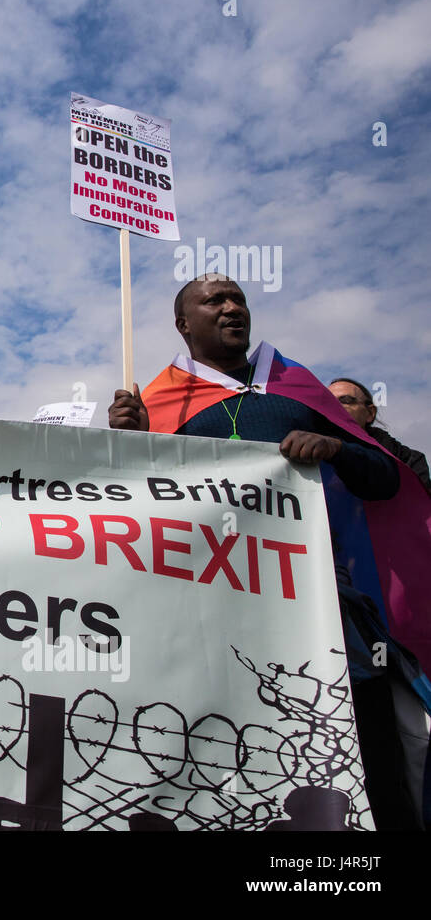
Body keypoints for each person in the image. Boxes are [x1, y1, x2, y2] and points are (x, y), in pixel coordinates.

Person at [109, 273, 431, 830]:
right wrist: (124, 446)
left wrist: (335, 448)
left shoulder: (298, 389)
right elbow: (127, 515)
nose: (232, 307)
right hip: (209, 613)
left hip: (322, 608)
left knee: (364, 752)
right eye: (215, 301)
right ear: (184, 325)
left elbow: (384, 478)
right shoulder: (155, 404)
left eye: (238, 299)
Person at [329, 377, 431, 496]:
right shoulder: (310, 452)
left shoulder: (410, 461)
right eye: (327, 401)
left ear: (370, 413)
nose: (333, 406)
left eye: (345, 400)